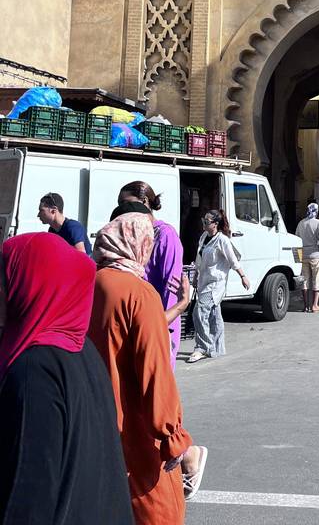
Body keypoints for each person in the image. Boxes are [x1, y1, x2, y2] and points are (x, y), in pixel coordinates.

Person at [0, 233, 134, 525]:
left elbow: (28, 496)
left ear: (28, 285)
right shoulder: (83, 351)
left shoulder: (34, 370)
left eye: (5, 279)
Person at [89, 213, 206, 523]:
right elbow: (155, 374)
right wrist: (173, 438)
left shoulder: (89, 284)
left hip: (94, 426)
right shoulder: (139, 293)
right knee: (158, 511)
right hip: (135, 430)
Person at [110, 181, 188, 369]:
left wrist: (164, 328)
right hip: (135, 322)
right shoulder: (130, 235)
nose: (123, 209)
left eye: (126, 202)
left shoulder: (165, 235)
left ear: (144, 201)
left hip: (159, 324)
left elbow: (172, 287)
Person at [189, 208, 250, 363]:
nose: (204, 223)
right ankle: (217, 348)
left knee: (199, 312)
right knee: (214, 314)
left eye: (207, 221)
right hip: (203, 282)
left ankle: (202, 348)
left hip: (215, 284)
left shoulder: (222, 240)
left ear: (215, 224)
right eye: (203, 220)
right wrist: (195, 277)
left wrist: (243, 276)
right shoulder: (204, 237)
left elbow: (233, 261)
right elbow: (198, 259)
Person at [296, 203, 319, 312]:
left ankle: (306, 306)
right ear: (316, 211)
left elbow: (296, 239)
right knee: (317, 278)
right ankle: (314, 306)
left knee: (304, 280)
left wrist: (297, 258)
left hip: (303, 255)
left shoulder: (301, 223)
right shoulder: (318, 223)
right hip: (315, 255)